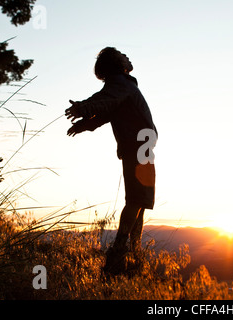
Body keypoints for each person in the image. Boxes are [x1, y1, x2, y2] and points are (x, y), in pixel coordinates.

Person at [65, 47, 157, 274]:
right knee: (137, 199)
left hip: (141, 148)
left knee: (141, 202)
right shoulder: (120, 84)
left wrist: (85, 123)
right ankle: (119, 252)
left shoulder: (122, 85)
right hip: (139, 148)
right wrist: (83, 109)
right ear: (117, 62)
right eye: (123, 54)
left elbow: (106, 112)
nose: (128, 56)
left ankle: (135, 253)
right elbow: (104, 101)